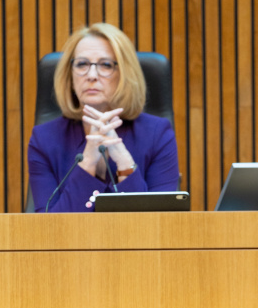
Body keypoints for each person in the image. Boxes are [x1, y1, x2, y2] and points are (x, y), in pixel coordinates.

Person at [27, 23, 180, 213]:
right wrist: (89, 162)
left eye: (105, 65)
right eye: (82, 64)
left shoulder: (158, 134)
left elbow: (162, 225)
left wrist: (123, 160)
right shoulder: (44, 139)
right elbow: (47, 230)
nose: (91, 75)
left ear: (124, 74)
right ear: (70, 75)